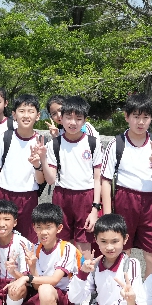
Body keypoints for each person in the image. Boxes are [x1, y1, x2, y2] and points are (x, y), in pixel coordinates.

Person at [100, 93, 152, 278]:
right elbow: (105, 179)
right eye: (136, 116)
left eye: (145, 117)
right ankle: (121, 290)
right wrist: (107, 216)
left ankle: (148, 292)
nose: (141, 122)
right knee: (122, 251)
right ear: (126, 116)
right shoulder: (117, 143)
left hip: (150, 202)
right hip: (124, 199)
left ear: (151, 119)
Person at [0, 203, 78, 305]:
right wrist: (16, 272)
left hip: (61, 298)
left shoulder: (66, 248)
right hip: (39, 296)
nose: (43, 232)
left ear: (59, 228)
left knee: (46, 289)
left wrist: (26, 278)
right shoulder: (35, 248)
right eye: (39, 227)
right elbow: (36, 284)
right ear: (34, 227)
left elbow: (54, 280)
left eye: (48, 227)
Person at [43, 95, 102, 256]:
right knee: (63, 244)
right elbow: (51, 180)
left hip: (86, 197)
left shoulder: (93, 143)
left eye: (78, 118)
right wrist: (42, 159)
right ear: (61, 119)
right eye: (68, 117)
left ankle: (84, 273)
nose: (73, 122)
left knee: (84, 245)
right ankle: (65, 273)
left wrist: (95, 209)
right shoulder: (54, 144)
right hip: (61, 196)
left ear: (85, 121)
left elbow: (98, 178)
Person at [0, 93, 46, 242]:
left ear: (38, 116)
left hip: (28, 197)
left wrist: (37, 165)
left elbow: (41, 181)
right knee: (2, 239)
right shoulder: (5, 138)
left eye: (31, 111)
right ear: (14, 115)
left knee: (28, 241)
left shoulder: (41, 143)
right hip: (4, 195)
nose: (26, 115)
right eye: (21, 111)